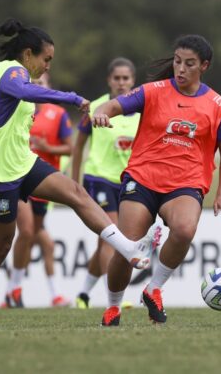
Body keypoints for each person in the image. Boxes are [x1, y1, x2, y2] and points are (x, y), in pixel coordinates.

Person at [0, 18, 154, 329]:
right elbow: (25, 92)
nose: (47, 66)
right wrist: (72, 98)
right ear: (28, 54)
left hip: (21, 163)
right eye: (46, 59)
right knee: (0, 246)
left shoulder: (1, 78)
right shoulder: (11, 72)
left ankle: (126, 245)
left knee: (76, 193)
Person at [91, 35, 221, 326]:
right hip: (143, 177)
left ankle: (153, 288)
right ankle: (113, 307)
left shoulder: (217, 105)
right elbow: (114, 106)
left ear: (204, 66)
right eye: (177, 61)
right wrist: (100, 112)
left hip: (186, 182)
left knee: (184, 230)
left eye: (189, 64)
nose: (180, 69)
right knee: (127, 244)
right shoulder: (153, 91)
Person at [71, 57, 142, 309]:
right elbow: (77, 146)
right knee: (112, 238)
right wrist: (74, 184)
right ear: (109, 80)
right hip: (97, 178)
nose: (121, 83)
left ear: (133, 81)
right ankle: (114, 299)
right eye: (117, 78)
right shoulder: (96, 108)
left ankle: (83, 294)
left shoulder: (141, 111)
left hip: (126, 183)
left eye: (126, 78)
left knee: (106, 240)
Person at [2, 72, 72, 308]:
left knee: (39, 238)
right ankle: (16, 290)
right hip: (19, 178)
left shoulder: (58, 114)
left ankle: (20, 292)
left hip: (45, 183)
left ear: (49, 87)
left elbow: (70, 148)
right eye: (33, 84)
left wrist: (47, 147)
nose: (37, 88)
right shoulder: (19, 110)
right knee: (27, 230)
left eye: (42, 84)